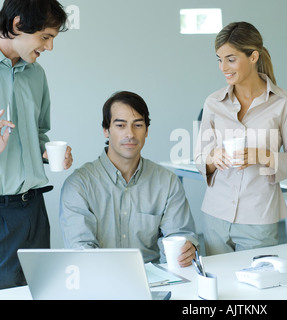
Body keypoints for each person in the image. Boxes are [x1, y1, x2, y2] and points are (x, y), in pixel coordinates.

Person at [194, 22, 287, 255]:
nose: (223, 67)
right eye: (219, 59)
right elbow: (199, 157)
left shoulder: (284, 103)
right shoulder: (213, 103)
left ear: (253, 56)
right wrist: (213, 157)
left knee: (258, 288)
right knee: (220, 287)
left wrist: (263, 156)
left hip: (259, 217)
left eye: (231, 59)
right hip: (216, 215)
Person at [59, 91, 199, 266]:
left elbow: (180, 235)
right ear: (106, 130)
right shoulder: (79, 185)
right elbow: (80, 250)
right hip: (99, 280)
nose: (130, 134)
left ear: (146, 131)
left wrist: (187, 249)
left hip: (154, 282)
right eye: (120, 125)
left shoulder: (167, 182)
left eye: (138, 125)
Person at [0, 0, 73, 289]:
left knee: (42, 290)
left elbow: (39, 131)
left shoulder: (37, 74)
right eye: (45, 37)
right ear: (18, 24)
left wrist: (47, 152)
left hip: (34, 209)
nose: (49, 47)